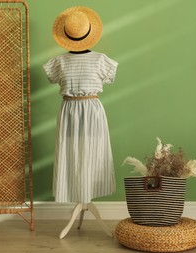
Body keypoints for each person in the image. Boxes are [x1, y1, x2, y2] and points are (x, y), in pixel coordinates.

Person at [44, 6, 118, 205]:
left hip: (90, 111)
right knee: (72, 153)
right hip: (71, 112)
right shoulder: (58, 62)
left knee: (93, 152)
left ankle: (88, 193)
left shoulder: (101, 60)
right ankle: (78, 196)